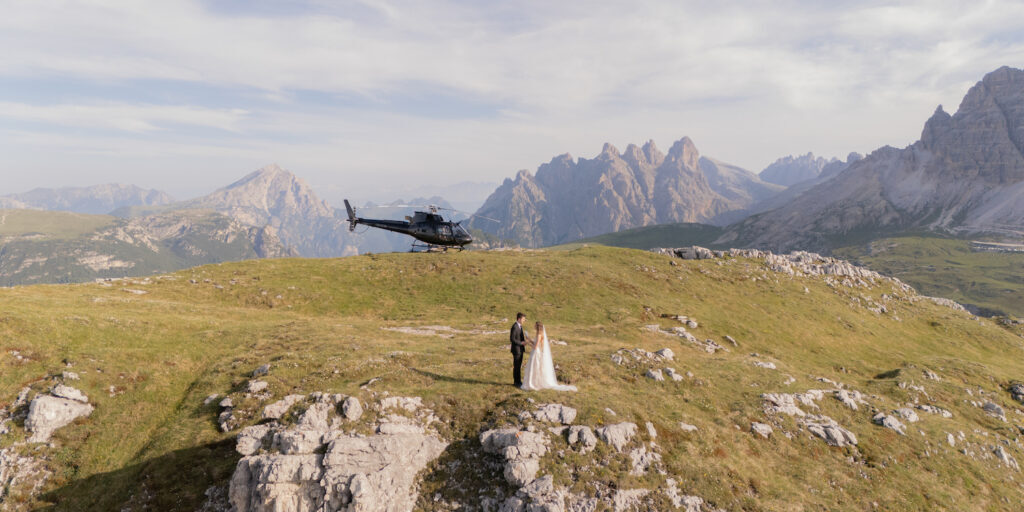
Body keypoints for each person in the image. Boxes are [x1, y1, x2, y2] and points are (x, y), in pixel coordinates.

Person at [521, 321, 577, 391]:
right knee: (534, 367)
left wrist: (527, 343)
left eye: (535, 325)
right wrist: (529, 339)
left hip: (536, 353)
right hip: (536, 352)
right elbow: (535, 343)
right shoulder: (538, 334)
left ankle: (534, 384)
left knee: (535, 367)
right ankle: (534, 383)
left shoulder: (539, 335)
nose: (534, 326)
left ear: (537, 327)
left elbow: (535, 347)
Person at [510, 312, 533, 387]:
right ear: (519, 319)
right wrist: (521, 343)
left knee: (518, 366)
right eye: (523, 319)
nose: (524, 320)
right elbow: (512, 339)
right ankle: (516, 382)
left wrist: (525, 341)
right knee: (516, 366)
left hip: (520, 349)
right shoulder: (515, 327)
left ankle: (518, 381)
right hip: (516, 350)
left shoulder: (520, 326)